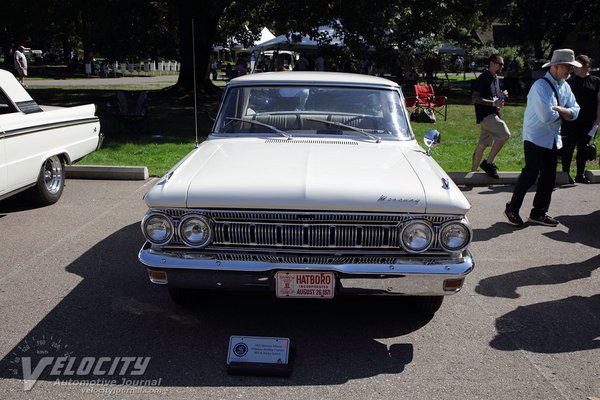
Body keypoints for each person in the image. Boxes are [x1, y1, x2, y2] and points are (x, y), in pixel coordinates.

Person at [504, 49, 581, 227]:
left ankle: (539, 213)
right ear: (555, 66)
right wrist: (566, 112)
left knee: (548, 177)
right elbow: (546, 116)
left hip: (552, 138)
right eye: (568, 66)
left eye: (571, 66)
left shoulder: (564, 85)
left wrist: (561, 110)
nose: (570, 70)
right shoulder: (540, 86)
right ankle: (512, 209)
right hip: (535, 137)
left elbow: (576, 110)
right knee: (530, 174)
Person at [560, 55, 600, 184]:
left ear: (587, 66)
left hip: (588, 120)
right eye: (574, 66)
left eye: (579, 66)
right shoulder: (570, 81)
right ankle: (565, 173)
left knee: (583, 148)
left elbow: (599, 102)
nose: (575, 69)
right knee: (568, 147)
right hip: (571, 119)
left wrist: (598, 120)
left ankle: (580, 174)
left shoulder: (596, 81)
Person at [471, 54, 511, 178]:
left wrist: (501, 96)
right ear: (492, 63)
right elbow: (475, 98)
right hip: (486, 115)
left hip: (492, 113)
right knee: (504, 134)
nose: (502, 66)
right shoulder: (483, 78)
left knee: (483, 144)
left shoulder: (495, 79)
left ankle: (472, 174)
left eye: (503, 64)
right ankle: (488, 163)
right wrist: (493, 103)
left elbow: (492, 96)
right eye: (500, 64)